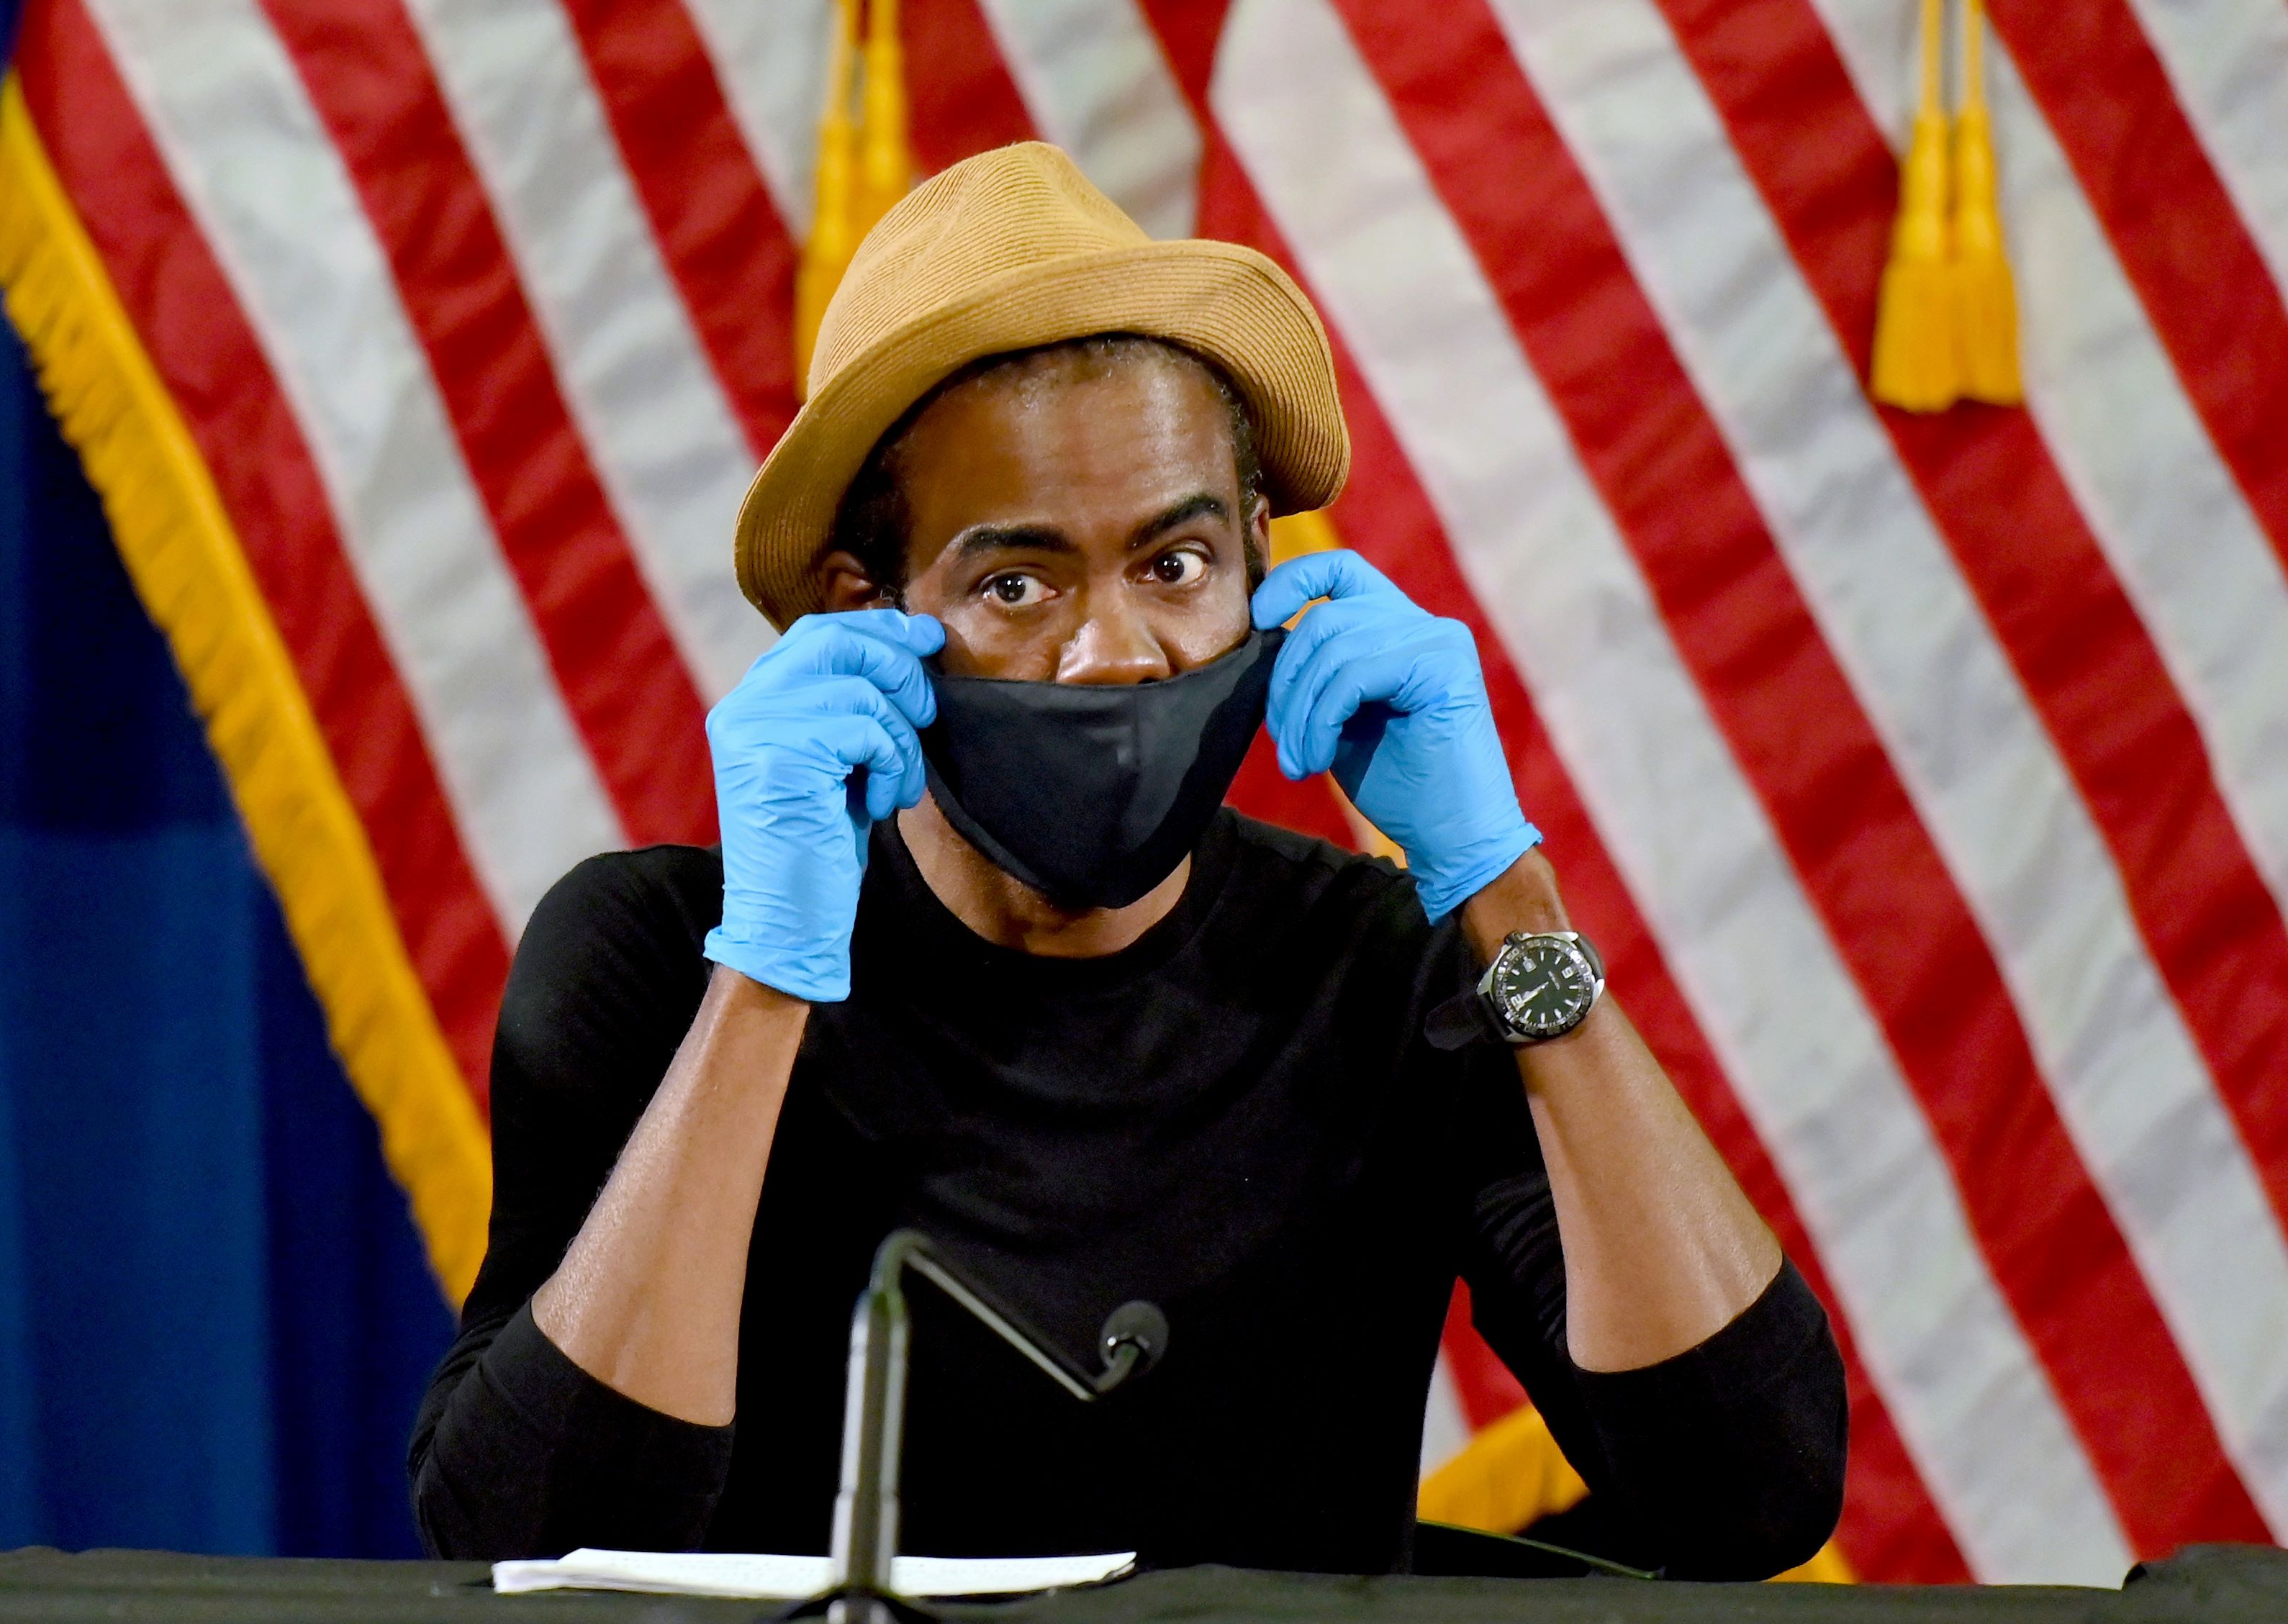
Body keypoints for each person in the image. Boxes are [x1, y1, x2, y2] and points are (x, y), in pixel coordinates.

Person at [409, 143, 1846, 1578]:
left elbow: (1747, 1492)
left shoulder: (1383, 974)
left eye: (1172, 567)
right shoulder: (652, 954)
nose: (1112, 656)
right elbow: (527, 1540)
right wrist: (770, 980)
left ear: (1260, 581)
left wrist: (1495, 884)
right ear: (865, 611)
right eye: (1016, 584)